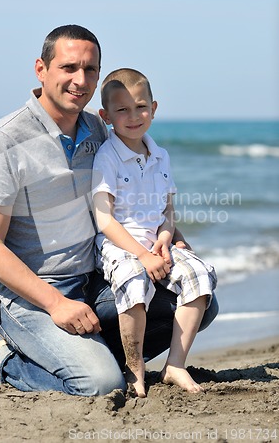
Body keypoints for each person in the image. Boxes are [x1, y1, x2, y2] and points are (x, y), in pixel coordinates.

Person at [0, 25, 218, 397]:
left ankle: (86, 355)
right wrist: (56, 304)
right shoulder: (3, 142)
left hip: (93, 281)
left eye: (90, 70)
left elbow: (140, 194)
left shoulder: (100, 131)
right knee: (100, 383)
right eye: (69, 68)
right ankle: (10, 364)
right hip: (30, 296)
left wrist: (174, 239)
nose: (79, 80)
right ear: (41, 69)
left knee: (199, 302)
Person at [92, 68, 217, 397]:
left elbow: (167, 209)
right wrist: (143, 255)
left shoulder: (160, 156)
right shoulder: (108, 157)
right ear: (106, 116)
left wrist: (164, 236)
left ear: (154, 108)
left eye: (140, 107)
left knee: (199, 274)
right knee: (134, 280)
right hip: (118, 245)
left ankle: (175, 364)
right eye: (122, 110)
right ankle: (135, 371)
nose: (133, 117)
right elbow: (105, 220)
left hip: (156, 243)